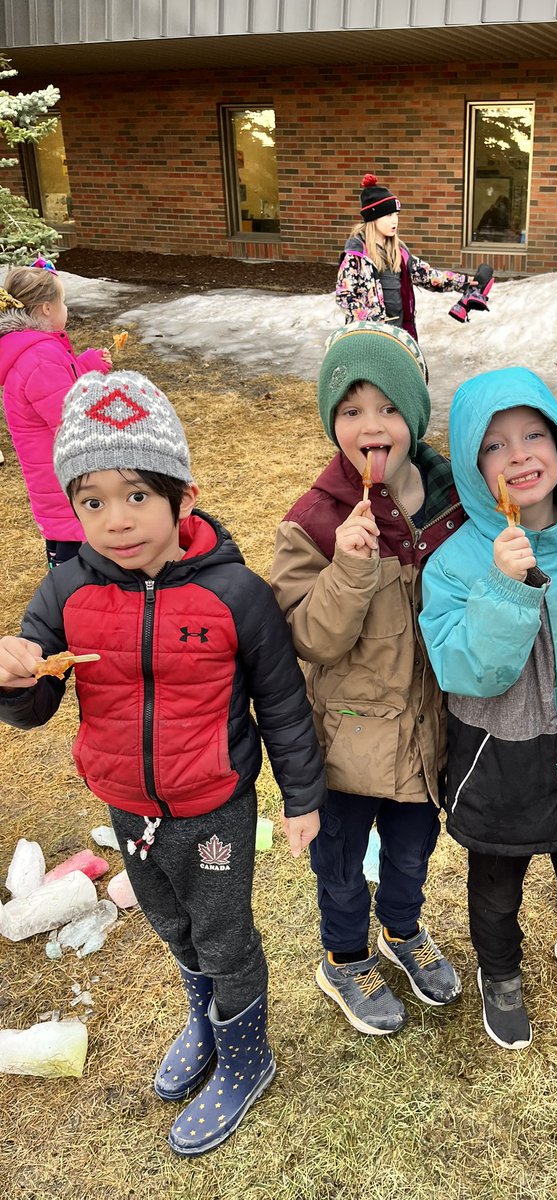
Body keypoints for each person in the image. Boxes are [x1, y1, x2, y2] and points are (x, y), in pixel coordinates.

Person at [0, 371, 326, 1157]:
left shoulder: (236, 595)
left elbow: (282, 703)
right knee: (172, 924)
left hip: (214, 807)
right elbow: (35, 703)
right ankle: (204, 1023)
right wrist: (14, 678)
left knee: (222, 933)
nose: (116, 520)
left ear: (185, 494)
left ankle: (247, 1058)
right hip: (127, 807)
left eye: (137, 495)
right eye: (93, 500)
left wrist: (301, 798)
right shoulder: (66, 591)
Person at [419, 367, 557, 1051]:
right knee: (495, 890)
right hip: (501, 764)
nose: (518, 455)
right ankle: (501, 974)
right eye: (494, 446)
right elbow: (466, 671)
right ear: (469, 464)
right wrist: (504, 587)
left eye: (533, 435)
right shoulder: (455, 562)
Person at [270, 321, 464, 1036]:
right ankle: (345, 956)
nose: (370, 425)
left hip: (424, 739)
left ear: (412, 416)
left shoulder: (455, 504)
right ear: (333, 425)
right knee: (343, 868)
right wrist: (351, 567)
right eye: (350, 411)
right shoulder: (313, 522)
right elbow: (309, 640)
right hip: (346, 746)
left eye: (386, 408)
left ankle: (402, 933)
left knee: (413, 854)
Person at [0, 261, 111, 567]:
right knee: (77, 566)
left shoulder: (33, 350)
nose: (66, 309)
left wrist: (87, 365)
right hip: (66, 484)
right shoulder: (40, 357)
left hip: (57, 482)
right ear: (47, 309)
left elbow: (56, 390)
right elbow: (72, 419)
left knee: (70, 552)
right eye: (63, 302)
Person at [335, 173, 473, 342]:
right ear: (373, 218)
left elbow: (428, 275)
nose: (395, 221)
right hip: (368, 338)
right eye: (388, 215)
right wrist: (369, 321)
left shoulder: (399, 252)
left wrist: (465, 281)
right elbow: (344, 294)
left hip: (398, 335)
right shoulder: (356, 255)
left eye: (396, 215)